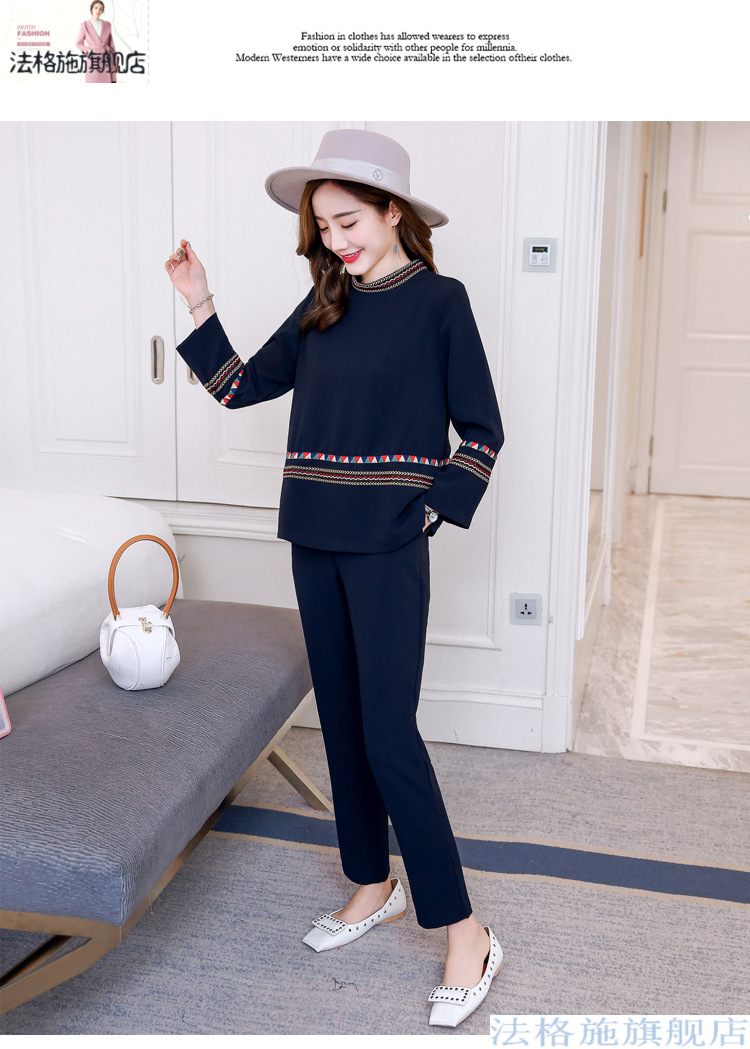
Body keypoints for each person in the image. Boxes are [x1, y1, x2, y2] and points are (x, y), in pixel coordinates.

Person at [164, 128, 505, 1028]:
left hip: (387, 546)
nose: (336, 240)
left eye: (349, 221)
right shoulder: (323, 302)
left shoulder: (441, 303)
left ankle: (466, 929)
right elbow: (237, 386)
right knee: (344, 723)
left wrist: (428, 511)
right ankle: (370, 881)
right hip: (313, 536)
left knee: (390, 735)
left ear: (394, 211)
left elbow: (482, 430)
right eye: (323, 227)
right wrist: (199, 302)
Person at [75, 1, 117, 83]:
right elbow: (79, 43)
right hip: (94, 59)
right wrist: (88, 50)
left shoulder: (107, 25)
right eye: (96, 8)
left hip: (107, 58)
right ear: (91, 9)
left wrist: (115, 62)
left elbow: (111, 45)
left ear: (102, 11)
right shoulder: (85, 25)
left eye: (101, 9)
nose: (98, 10)